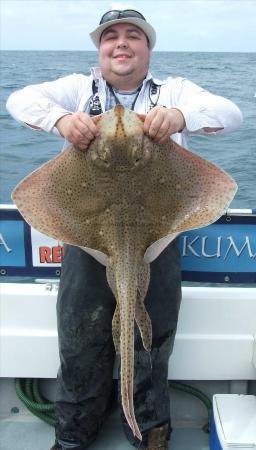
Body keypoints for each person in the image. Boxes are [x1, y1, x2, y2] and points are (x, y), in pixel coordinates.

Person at [6, 9, 243, 450]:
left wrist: (178, 116)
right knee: (79, 343)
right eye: (110, 36)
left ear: (148, 49)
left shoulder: (174, 91)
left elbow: (230, 115)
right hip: (86, 240)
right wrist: (59, 120)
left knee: (151, 343)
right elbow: (18, 101)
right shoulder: (76, 89)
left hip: (156, 241)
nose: (121, 43)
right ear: (99, 50)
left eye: (133, 36)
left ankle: (150, 433)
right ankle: (74, 435)